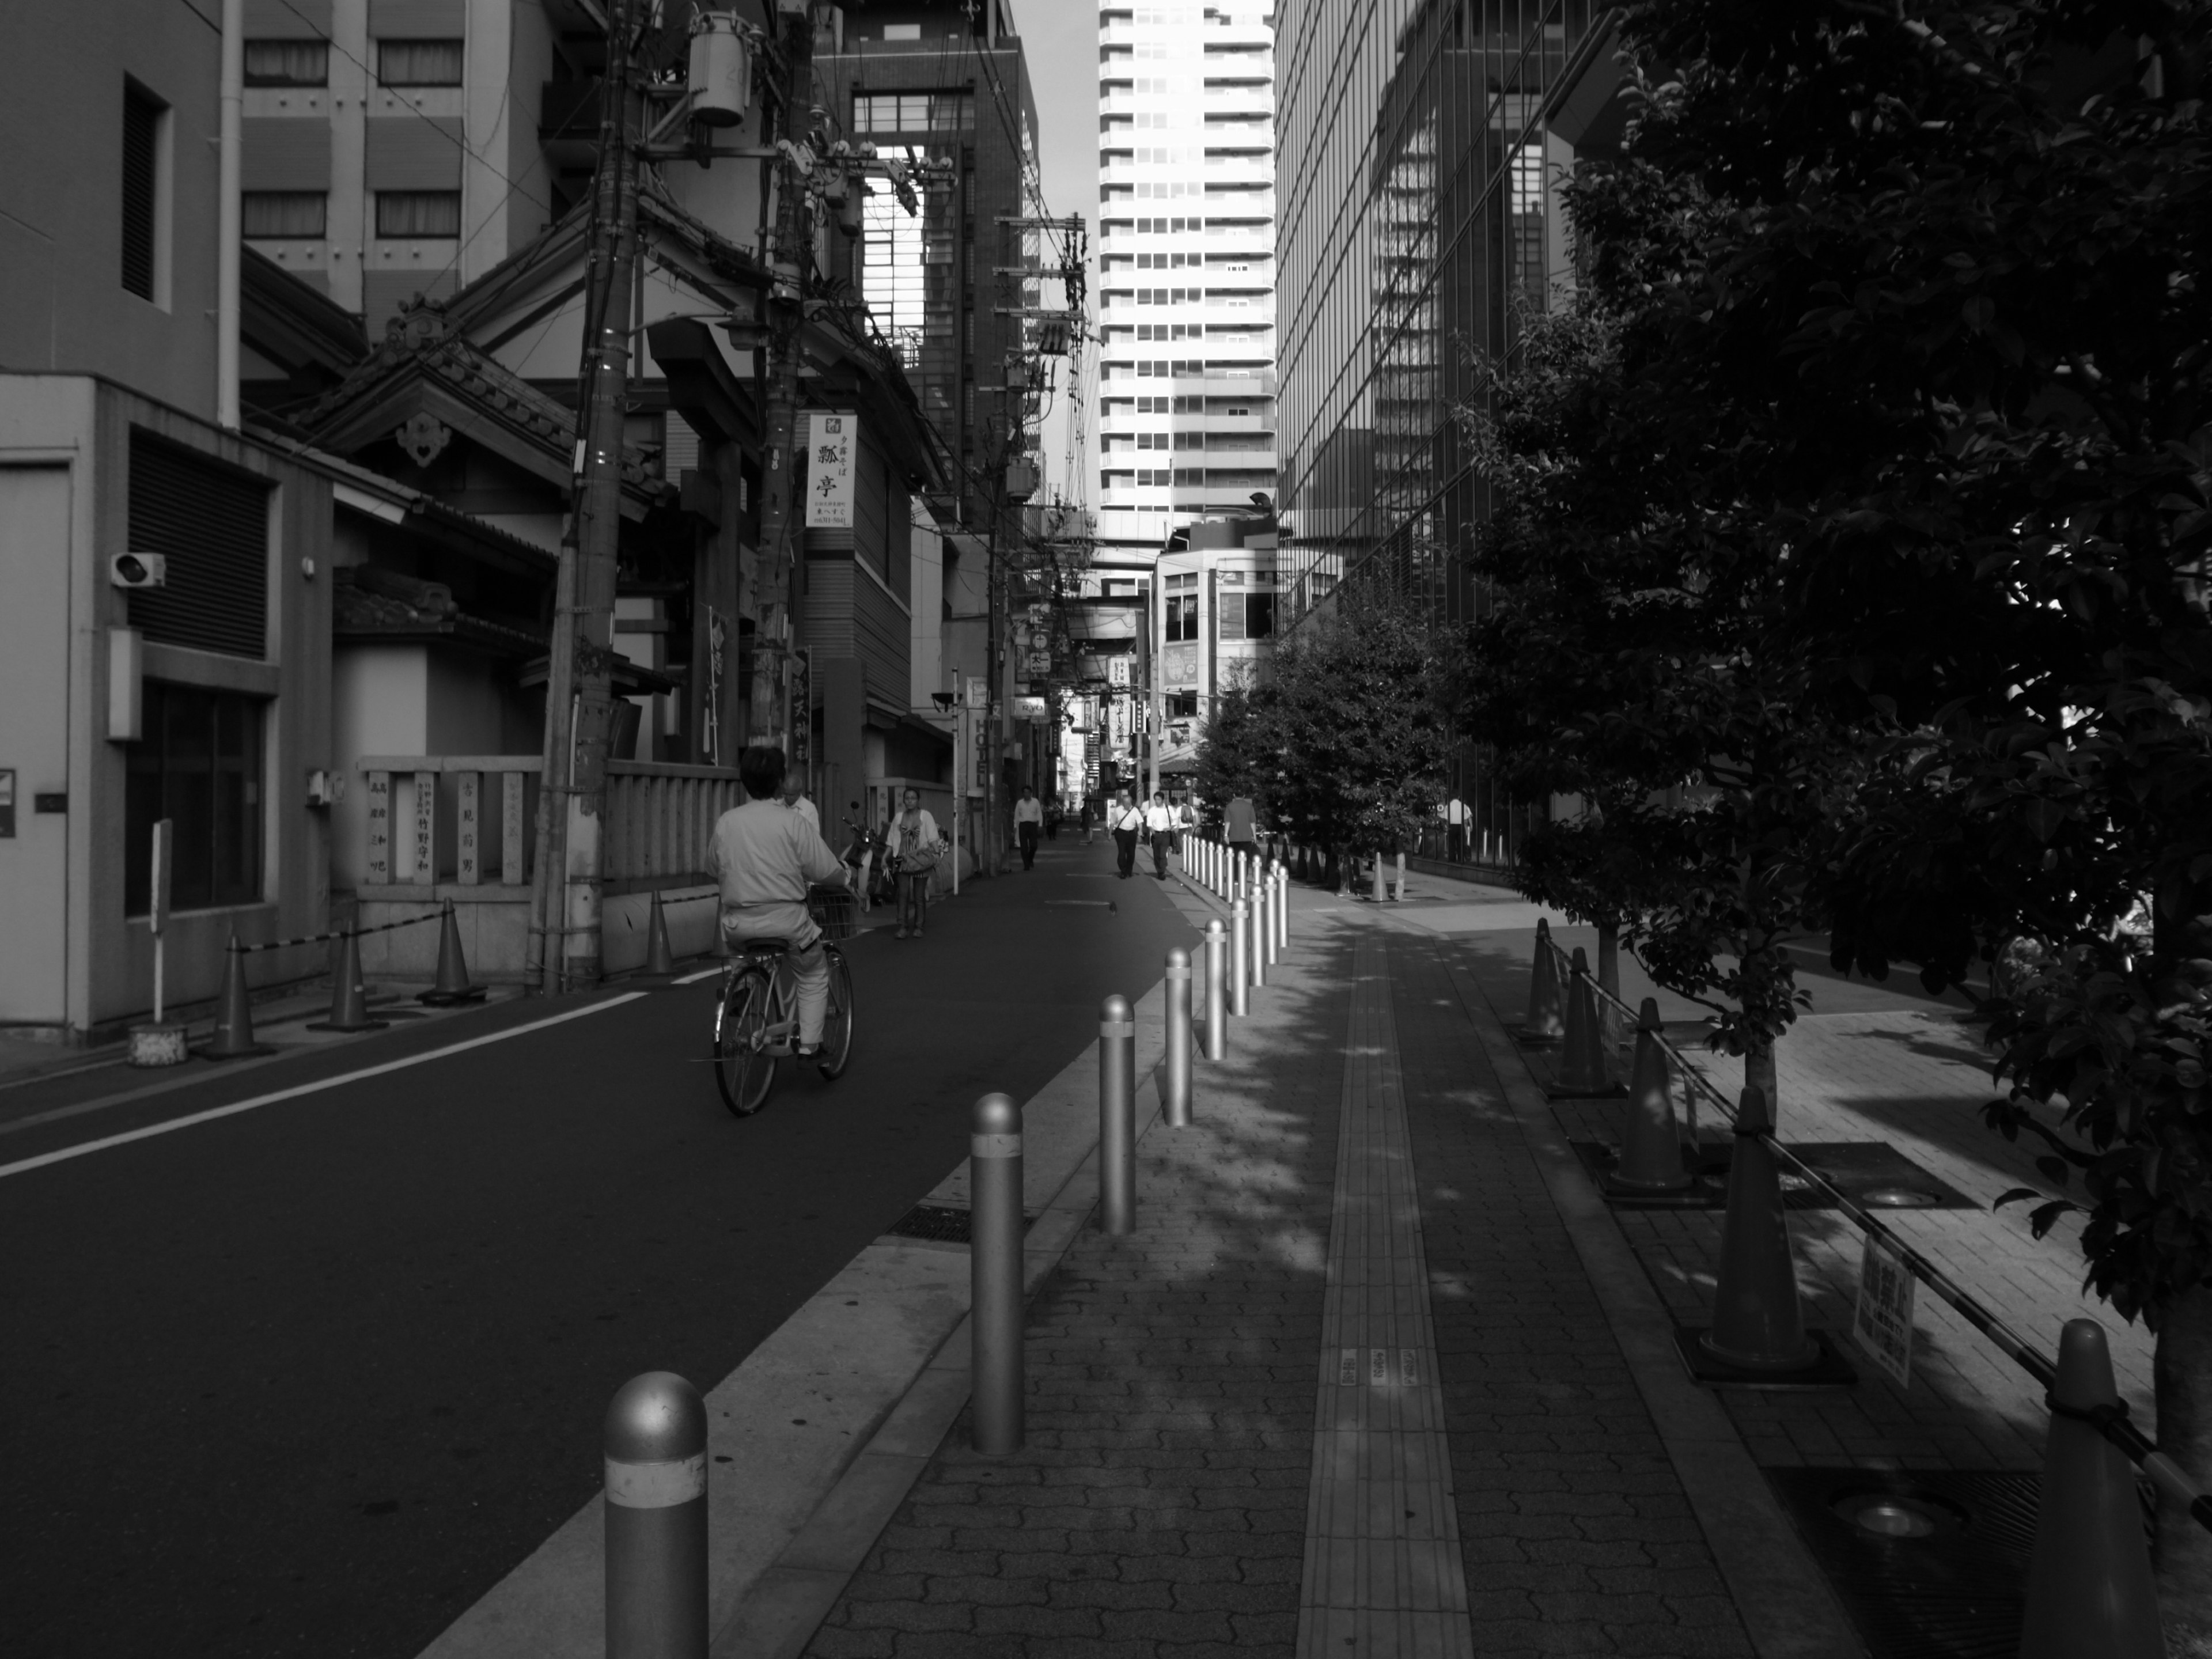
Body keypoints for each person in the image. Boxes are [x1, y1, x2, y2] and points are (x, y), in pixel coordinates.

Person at [706, 746, 847, 1055]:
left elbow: (712, 868)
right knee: (812, 973)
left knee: (752, 958)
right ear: (781, 781)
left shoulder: (727, 822)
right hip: (787, 922)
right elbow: (824, 869)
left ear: (745, 781)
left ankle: (745, 989)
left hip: (737, 925)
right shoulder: (792, 822)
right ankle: (810, 1046)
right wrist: (845, 877)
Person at [885, 786, 945, 938]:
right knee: (903, 895)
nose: (910, 801)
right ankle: (903, 927)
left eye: (913, 798)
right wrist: (885, 858)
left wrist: (937, 854)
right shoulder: (898, 818)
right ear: (904, 800)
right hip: (902, 860)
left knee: (919, 896)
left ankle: (919, 927)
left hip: (921, 861)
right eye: (907, 798)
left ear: (918, 801)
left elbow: (932, 837)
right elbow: (891, 840)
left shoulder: (926, 816)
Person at [1109, 791, 1145, 878]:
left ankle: (1129, 870)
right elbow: (1113, 822)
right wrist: (1110, 833)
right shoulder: (1118, 810)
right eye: (1125, 803)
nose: (1127, 805)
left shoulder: (1135, 810)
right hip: (1121, 833)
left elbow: (1140, 822)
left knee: (1131, 853)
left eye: (1129, 803)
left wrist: (1140, 831)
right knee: (1122, 853)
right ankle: (1123, 870)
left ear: (1131, 803)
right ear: (1122, 803)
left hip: (1131, 833)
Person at [1144, 790, 1175, 878]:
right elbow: (1149, 822)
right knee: (1156, 854)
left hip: (1165, 834)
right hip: (1156, 834)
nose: (1157, 801)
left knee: (1163, 854)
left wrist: (1170, 828)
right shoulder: (1152, 810)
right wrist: (1152, 830)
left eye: (1159, 799)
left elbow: (1175, 820)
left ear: (1162, 800)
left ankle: (1162, 871)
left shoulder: (1169, 809)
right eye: (1156, 800)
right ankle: (1159, 870)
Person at [781, 771, 820, 837]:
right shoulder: (778, 805)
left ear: (799, 792)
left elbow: (814, 835)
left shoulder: (809, 808)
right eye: (785, 794)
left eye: (791, 795)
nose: (787, 797)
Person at [1014, 786, 1043, 870]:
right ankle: (1026, 864)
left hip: (1032, 825)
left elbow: (1039, 813)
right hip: (1023, 824)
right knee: (1024, 846)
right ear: (1023, 793)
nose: (1026, 794)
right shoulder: (1020, 803)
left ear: (1031, 793)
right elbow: (1016, 816)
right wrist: (1015, 826)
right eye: (1025, 792)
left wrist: (1040, 824)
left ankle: (1030, 858)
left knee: (1034, 845)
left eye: (1028, 792)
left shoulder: (1035, 802)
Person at [1225, 793, 1257, 863]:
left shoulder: (1229, 806)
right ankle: (1244, 873)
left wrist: (1226, 835)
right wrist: (1254, 835)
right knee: (1245, 860)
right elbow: (1252, 822)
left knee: (1235, 860)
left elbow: (1228, 822)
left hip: (1234, 838)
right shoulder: (1249, 807)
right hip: (1247, 838)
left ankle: (1236, 874)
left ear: (1234, 795)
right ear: (1244, 795)